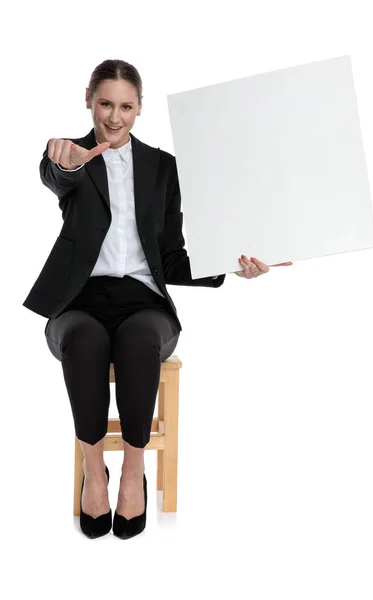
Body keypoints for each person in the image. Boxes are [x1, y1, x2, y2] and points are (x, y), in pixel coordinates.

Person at [22, 58, 292, 539]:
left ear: (140, 108)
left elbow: (169, 256)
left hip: (144, 300)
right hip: (79, 299)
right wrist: (65, 167)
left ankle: (130, 472)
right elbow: (56, 177)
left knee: (139, 337)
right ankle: (93, 471)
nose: (114, 116)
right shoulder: (69, 155)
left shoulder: (162, 167)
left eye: (126, 106)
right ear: (88, 98)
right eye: (105, 103)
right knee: (83, 340)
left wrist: (230, 266)